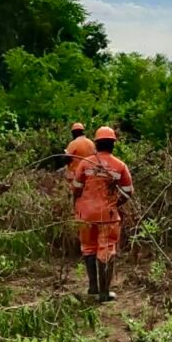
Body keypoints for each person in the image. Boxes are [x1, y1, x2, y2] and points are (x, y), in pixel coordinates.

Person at [71, 126, 133, 303]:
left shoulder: (84, 163)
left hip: (85, 214)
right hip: (107, 216)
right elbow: (128, 191)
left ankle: (93, 288)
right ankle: (104, 293)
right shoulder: (119, 166)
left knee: (88, 249)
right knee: (106, 250)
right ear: (113, 145)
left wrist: (79, 205)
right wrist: (116, 203)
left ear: (96, 144)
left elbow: (75, 188)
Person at [63, 122, 96, 187]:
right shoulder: (91, 143)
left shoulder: (73, 143)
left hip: (76, 175)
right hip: (89, 175)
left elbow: (67, 159)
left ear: (73, 133)